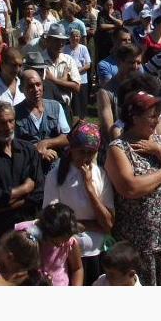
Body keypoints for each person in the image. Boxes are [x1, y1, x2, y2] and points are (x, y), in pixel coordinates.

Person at [105, 91, 161, 286]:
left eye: (158, 115)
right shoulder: (118, 148)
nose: (158, 120)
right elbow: (130, 188)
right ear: (134, 118)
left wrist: (160, 152)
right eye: (152, 116)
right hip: (138, 247)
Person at [42, 121, 114, 284]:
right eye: (82, 152)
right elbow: (52, 221)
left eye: (91, 153)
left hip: (96, 252)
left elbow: (108, 224)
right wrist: (92, 224)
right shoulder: (55, 176)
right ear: (72, 149)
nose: (86, 158)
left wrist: (90, 188)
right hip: (67, 255)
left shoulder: (101, 175)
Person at [0, 101, 44, 248]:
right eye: (2, 123)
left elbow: (39, 192)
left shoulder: (29, 150)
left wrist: (4, 206)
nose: (8, 127)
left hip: (29, 227)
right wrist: (23, 190)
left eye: (11, 121)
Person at [31, 201, 85, 286]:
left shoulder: (69, 243)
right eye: (55, 242)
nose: (61, 245)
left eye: (65, 240)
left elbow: (77, 269)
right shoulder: (30, 239)